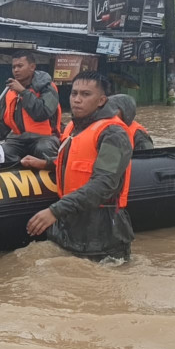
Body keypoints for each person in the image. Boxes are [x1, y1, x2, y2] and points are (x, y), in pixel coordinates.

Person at [26, 71, 134, 261]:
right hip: (69, 226)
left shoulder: (113, 134)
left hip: (101, 234)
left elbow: (104, 184)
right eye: (74, 93)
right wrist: (46, 163)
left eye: (85, 94)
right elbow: (77, 163)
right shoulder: (72, 129)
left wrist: (54, 210)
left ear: (101, 100)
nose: (77, 99)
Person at [0, 51, 60, 163]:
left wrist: (23, 92)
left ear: (32, 67)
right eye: (13, 67)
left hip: (45, 138)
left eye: (20, 66)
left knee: (43, 149)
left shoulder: (48, 87)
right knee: (2, 151)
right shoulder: (10, 92)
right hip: (20, 139)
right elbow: (3, 126)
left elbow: (42, 113)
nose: (16, 70)